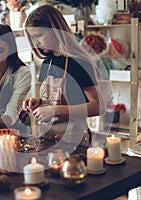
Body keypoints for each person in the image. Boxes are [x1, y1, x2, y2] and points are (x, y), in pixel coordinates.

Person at [22, 5, 106, 146]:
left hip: (74, 142)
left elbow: (98, 107)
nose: (36, 42)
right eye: (32, 38)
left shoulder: (78, 62)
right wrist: (38, 102)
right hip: (48, 139)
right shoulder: (46, 63)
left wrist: (56, 111)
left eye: (39, 36)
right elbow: (53, 100)